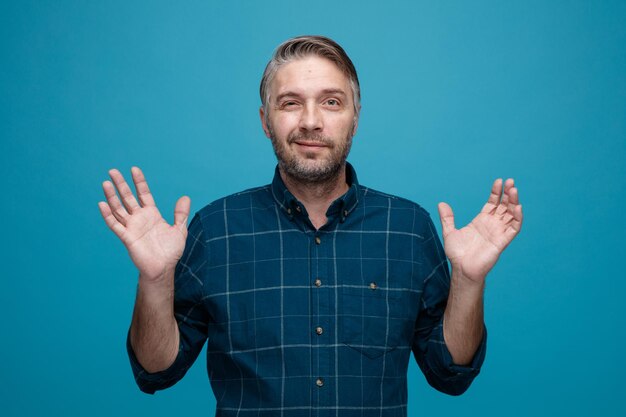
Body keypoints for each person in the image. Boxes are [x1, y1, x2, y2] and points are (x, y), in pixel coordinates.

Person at [98, 35, 523, 416]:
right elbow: (156, 371)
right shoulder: (215, 228)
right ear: (266, 121)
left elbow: (450, 375)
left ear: (355, 119)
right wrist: (154, 280)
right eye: (291, 102)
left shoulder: (408, 229)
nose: (311, 121)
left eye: (331, 102)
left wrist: (468, 281)